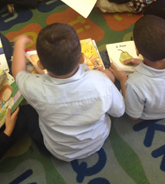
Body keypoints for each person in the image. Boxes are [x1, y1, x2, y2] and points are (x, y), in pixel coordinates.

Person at [12, 23, 125, 161]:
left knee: (25, 112)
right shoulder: (100, 82)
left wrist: (19, 44)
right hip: (97, 141)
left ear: (40, 64)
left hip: (60, 151)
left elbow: (18, 73)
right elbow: (119, 111)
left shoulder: (34, 87)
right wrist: (109, 81)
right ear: (82, 58)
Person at [109, 15, 165, 120]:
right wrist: (140, 62)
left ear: (137, 51)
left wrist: (123, 79)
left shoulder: (134, 83)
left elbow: (133, 116)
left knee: (109, 73)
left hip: (149, 114)